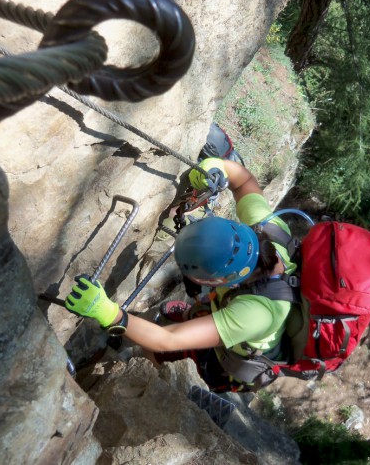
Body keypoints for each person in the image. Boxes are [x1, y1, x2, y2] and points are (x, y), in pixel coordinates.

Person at [66, 158, 303, 392]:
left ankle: (144, 367)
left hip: (231, 357)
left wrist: (110, 314)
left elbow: (167, 340)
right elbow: (243, 181)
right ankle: (195, 315)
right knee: (198, 313)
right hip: (238, 304)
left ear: (222, 281)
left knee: (155, 352)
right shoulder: (267, 230)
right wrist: (215, 168)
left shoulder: (255, 315)